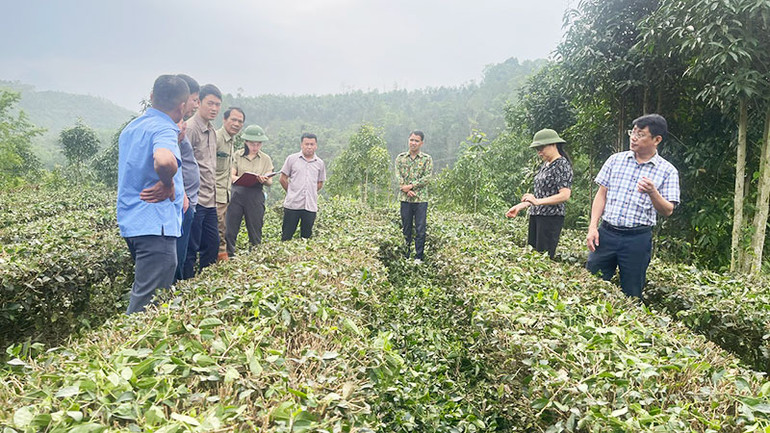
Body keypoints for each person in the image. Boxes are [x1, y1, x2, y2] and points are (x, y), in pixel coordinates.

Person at [586, 113, 680, 298]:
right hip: (606, 234)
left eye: (641, 134)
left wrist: (653, 192)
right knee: (591, 285)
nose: (634, 138)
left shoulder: (667, 171)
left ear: (657, 139)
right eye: (633, 132)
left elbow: (668, 210)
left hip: (637, 240)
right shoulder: (615, 160)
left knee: (631, 292)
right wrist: (592, 226)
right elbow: (601, 195)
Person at [117, 74, 188, 314]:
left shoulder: (132, 128)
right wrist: (168, 183)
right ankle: (125, 349)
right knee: (146, 305)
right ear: (182, 106)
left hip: (134, 224)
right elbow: (164, 159)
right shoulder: (164, 127)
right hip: (156, 227)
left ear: (151, 97)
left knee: (146, 293)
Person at [506, 129, 573, 259]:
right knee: (533, 256)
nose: (539, 152)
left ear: (553, 145)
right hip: (537, 215)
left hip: (551, 218)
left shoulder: (562, 165)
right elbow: (540, 195)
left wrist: (538, 202)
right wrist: (521, 206)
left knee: (543, 258)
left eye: (541, 148)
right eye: (537, 149)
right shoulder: (545, 165)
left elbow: (565, 195)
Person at [183, 84, 221, 279]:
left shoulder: (212, 130)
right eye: (210, 103)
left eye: (217, 105)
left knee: (212, 245)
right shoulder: (190, 128)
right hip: (194, 200)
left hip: (210, 199)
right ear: (199, 103)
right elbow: (181, 163)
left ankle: (205, 287)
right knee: (191, 248)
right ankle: (186, 289)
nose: (214, 108)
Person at [225, 125, 273, 256]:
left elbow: (270, 181)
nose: (255, 147)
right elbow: (231, 175)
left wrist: (264, 179)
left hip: (255, 194)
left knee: (255, 228)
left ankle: (255, 256)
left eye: (258, 144)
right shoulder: (237, 155)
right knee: (230, 228)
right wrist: (241, 178)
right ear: (246, 142)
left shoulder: (265, 159)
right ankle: (229, 256)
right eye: (252, 144)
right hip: (237, 193)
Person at [173, 74, 201, 282]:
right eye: (195, 99)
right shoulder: (176, 129)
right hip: (179, 205)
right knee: (174, 265)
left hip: (188, 203)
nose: (196, 104)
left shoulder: (181, 127)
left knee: (181, 260)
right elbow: (167, 163)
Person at [280, 133, 327, 241]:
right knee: (286, 236)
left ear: (316, 146)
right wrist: (291, 191)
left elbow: (320, 183)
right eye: (306, 144)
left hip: (310, 206)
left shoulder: (319, 163)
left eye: (312, 144)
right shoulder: (292, 159)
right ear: (301, 145)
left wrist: (310, 192)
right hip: (292, 205)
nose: (309, 147)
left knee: (306, 238)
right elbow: (283, 179)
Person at [396, 130, 433, 262]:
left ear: (421, 143)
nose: (413, 143)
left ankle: (418, 256)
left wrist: (411, 186)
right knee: (406, 228)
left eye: (416, 141)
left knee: (420, 228)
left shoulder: (426, 159)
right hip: (405, 200)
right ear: (408, 140)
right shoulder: (400, 158)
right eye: (411, 140)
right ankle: (406, 255)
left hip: (420, 200)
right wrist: (405, 189)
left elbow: (427, 178)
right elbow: (398, 176)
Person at [215, 107, 245, 261]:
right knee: (218, 231)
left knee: (224, 229)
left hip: (226, 194)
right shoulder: (217, 138)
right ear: (224, 119)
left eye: (240, 121)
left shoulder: (231, 141)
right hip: (214, 195)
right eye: (233, 119)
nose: (237, 124)